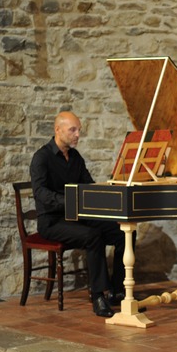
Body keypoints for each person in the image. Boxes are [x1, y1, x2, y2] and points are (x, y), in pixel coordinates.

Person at [29, 111, 127, 317]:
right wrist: (70, 202)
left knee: (123, 232)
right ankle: (98, 296)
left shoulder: (75, 157)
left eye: (79, 130)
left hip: (76, 217)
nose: (77, 135)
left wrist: (109, 196)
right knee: (92, 236)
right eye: (72, 130)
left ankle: (118, 291)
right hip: (52, 221)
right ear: (58, 130)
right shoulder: (41, 158)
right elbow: (41, 193)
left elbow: (88, 186)